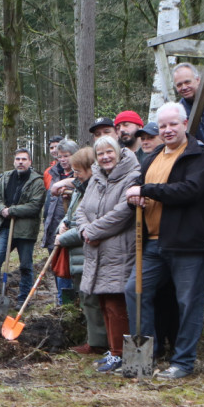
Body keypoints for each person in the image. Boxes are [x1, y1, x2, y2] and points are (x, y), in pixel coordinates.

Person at [124, 101, 204, 380]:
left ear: (185, 124)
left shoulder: (198, 155)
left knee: (188, 302)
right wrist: (135, 198)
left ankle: (183, 362)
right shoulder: (151, 159)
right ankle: (144, 357)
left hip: (187, 242)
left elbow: (189, 190)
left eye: (172, 124)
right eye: (162, 125)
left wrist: (146, 190)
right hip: (151, 242)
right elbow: (137, 193)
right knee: (135, 291)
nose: (167, 130)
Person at [72, 137, 141, 372]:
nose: (105, 157)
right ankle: (113, 350)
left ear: (118, 153)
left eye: (109, 152)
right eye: (100, 154)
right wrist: (84, 230)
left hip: (119, 248)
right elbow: (81, 209)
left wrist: (92, 230)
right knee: (103, 301)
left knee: (116, 302)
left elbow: (122, 212)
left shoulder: (132, 175)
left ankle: (122, 353)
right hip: (95, 248)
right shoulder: (96, 178)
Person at [53, 147, 107, 355]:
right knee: (84, 298)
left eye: (78, 171)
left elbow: (88, 227)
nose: (75, 176)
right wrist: (62, 225)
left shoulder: (96, 191)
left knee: (91, 298)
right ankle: (92, 339)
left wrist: (63, 238)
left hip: (88, 253)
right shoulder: (79, 189)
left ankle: (97, 342)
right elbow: (72, 217)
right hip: (76, 255)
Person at [0, 149, 45, 312]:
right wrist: (2, 209)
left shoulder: (37, 181)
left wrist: (12, 210)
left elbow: (35, 206)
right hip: (5, 228)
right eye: (18, 159)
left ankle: (23, 300)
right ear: (14, 161)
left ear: (30, 162)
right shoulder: (6, 177)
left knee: (25, 266)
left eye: (24, 159)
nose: (20, 162)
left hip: (26, 232)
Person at [43, 139, 80, 299]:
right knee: (58, 267)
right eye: (60, 156)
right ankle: (61, 302)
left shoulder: (80, 174)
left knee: (72, 269)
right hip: (54, 228)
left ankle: (71, 303)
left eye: (67, 156)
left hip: (72, 229)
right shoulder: (52, 174)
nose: (63, 159)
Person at [170, 62, 204, 146]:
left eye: (187, 82)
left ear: (198, 80)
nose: (184, 87)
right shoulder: (179, 111)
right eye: (179, 85)